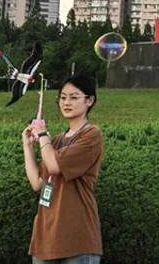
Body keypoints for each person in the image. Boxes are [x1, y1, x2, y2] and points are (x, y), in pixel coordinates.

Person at [22, 75, 103, 264]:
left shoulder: (91, 135)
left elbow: (54, 166)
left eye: (74, 97)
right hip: (46, 238)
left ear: (89, 100)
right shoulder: (57, 140)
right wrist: (27, 145)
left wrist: (42, 135)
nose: (66, 102)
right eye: (62, 97)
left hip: (77, 239)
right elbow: (37, 183)